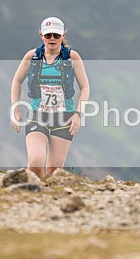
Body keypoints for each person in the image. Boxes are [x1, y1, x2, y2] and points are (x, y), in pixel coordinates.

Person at [10, 17, 90, 179]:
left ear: (62, 35)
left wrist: (78, 114)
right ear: (41, 35)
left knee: (54, 171)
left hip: (64, 119)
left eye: (55, 35)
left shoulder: (72, 58)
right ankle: (31, 196)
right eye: (48, 35)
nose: (52, 39)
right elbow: (17, 81)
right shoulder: (32, 57)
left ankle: (47, 199)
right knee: (35, 162)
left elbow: (85, 87)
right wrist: (15, 109)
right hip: (37, 116)